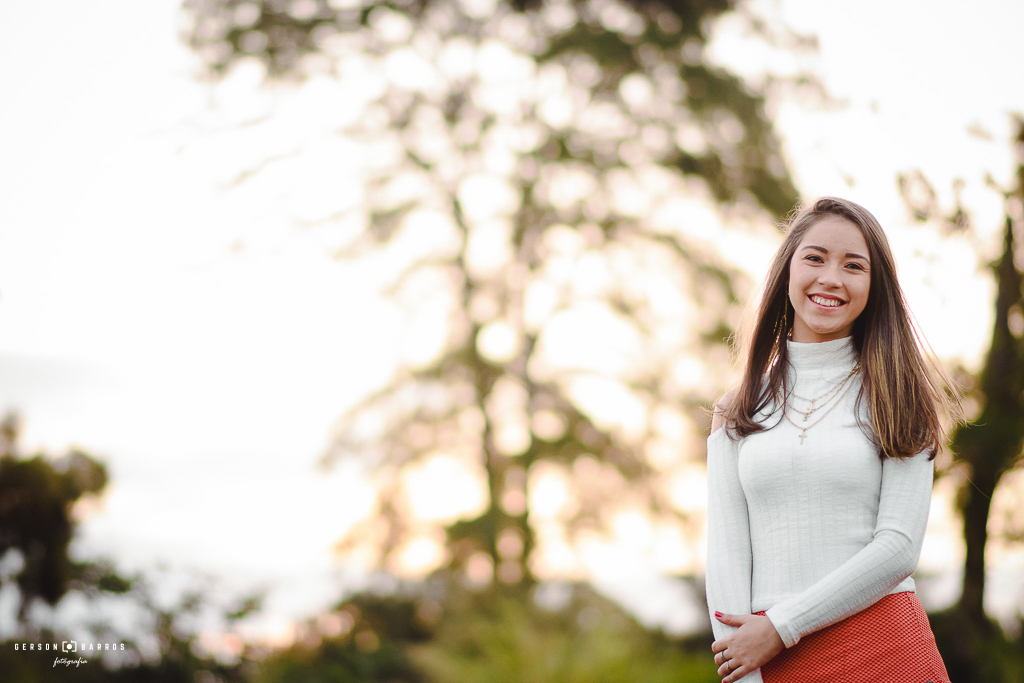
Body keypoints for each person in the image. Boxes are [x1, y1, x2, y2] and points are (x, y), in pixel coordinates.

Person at [704, 197, 956, 682]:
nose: (831, 278)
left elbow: (899, 547)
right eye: (815, 258)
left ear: (875, 287)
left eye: (853, 266)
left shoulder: (900, 397)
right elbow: (726, 558)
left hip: (886, 651)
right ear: (787, 271)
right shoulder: (737, 410)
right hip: (773, 661)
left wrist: (782, 626)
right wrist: (746, 672)